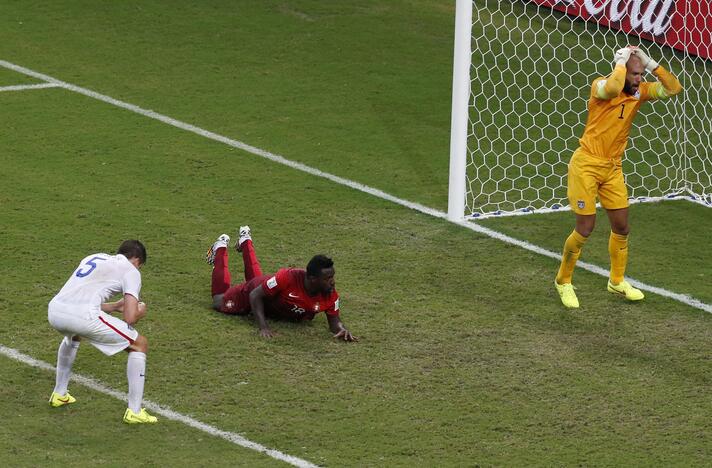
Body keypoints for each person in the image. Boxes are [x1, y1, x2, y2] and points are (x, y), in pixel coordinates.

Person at [554, 46, 682, 308]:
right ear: (621, 71)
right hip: (586, 165)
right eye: (635, 74)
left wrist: (652, 64)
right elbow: (613, 88)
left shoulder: (640, 92)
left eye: (640, 73)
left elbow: (673, 88)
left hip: (613, 168)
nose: (639, 78)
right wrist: (621, 64)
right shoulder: (600, 86)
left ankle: (616, 281)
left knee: (622, 227)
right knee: (585, 228)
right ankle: (563, 281)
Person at [47, 240, 158, 424]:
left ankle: (60, 394)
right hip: (82, 316)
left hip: (55, 311)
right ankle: (135, 412)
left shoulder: (94, 257)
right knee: (139, 344)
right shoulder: (132, 272)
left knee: (74, 334)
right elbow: (130, 318)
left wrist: (113, 306)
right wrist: (140, 311)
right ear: (137, 259)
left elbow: (79, 298)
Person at [206, 226, 357, 341]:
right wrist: (263, 327)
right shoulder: (288, 278)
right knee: (219, 300)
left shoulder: (330, 294)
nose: (332, 282)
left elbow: (334, 321)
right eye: (327, 278)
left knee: (260, 284)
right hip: (254, 291)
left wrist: (341, 329)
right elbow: (254, 294)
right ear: (312, 279)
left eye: (332, 277)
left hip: (267, 292)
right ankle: (220, 247)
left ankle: (245, 241)